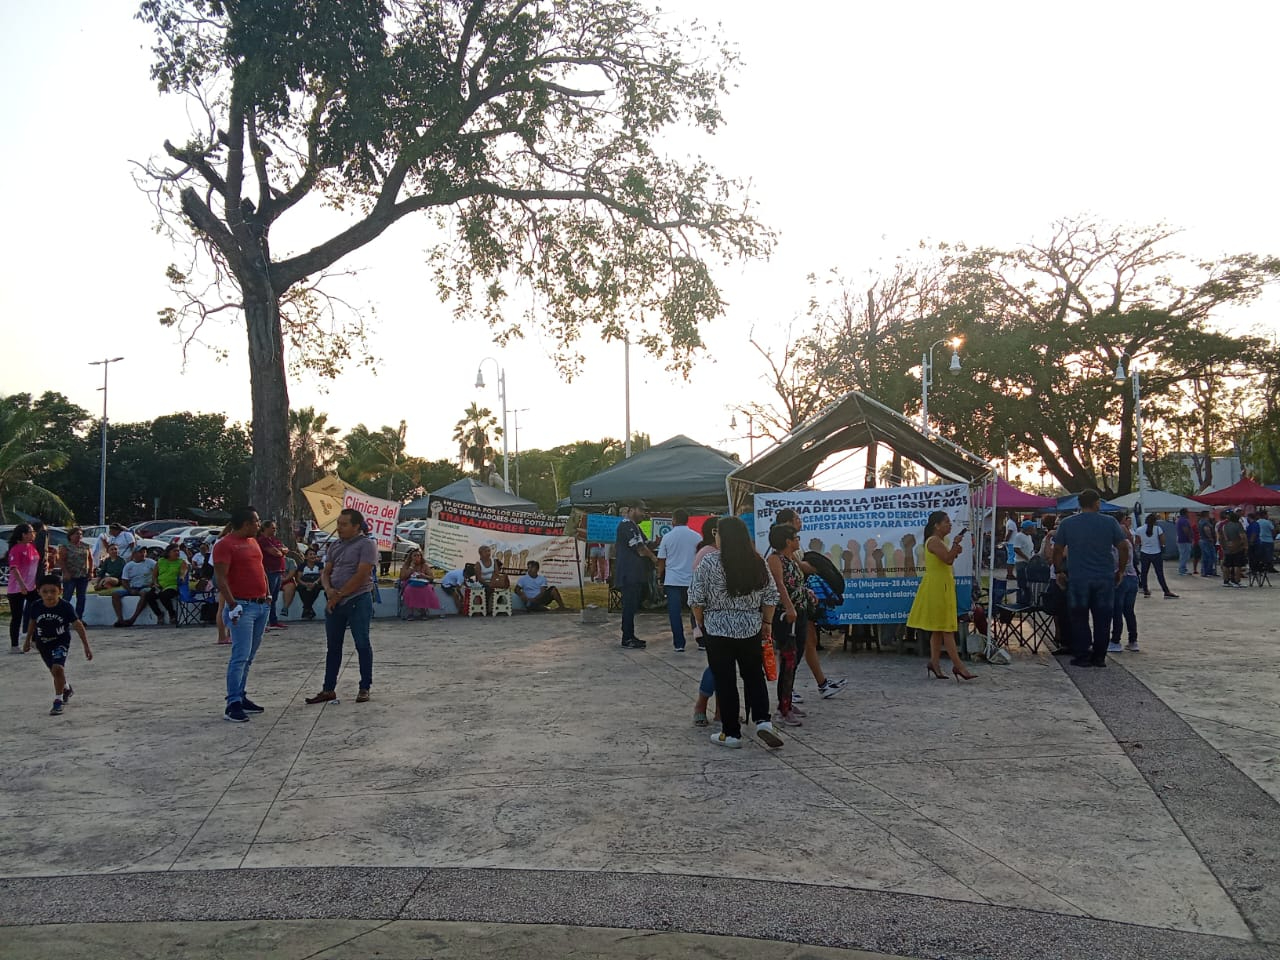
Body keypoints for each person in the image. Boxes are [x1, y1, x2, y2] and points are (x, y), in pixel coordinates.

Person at [688, 516, 784, 750]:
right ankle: (763, 721)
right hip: (750, 626)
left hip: (717, 628)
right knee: (753, 675)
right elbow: (771, 596)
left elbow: (695, 599)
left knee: (725, 680)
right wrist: (766, 623)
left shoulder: (709, 563)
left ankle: (731, 733)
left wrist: (702, 622)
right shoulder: (757, 562)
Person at [307, 508, 378, 705]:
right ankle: (328, 689)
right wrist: (329, 589)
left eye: (344, 524)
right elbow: (326, 571)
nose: (339, 528)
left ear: (356, 526)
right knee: (333, 647)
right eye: (338, 524)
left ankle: (365, 686)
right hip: (334, 600)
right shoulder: (335, 546)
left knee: (362, 643)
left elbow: (362, 574)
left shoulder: (367, 545)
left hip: (357, 599)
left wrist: (338, 595)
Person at [774, 508, 846, 699]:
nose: (800, 521)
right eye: (796, 519)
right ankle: (789, 689)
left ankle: (820, 683)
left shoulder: (793, 548)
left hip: (801, 604)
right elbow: (784, 581)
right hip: (791, 608)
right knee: (793, 649)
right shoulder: (779, 554)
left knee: (808, 642)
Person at [1052, 489, 1129, 668]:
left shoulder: (1067, 524)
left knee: (1079, 618)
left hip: (1078, 578)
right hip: (1104, 577)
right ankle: (1099, 656)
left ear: (1079, 504)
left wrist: (1059, 571)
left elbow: (1057, 549)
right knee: (1103, 618)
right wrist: (1121, 570)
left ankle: (1082, 655)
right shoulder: (1109, 522)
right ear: (1097, 503)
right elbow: (1123, 547)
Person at [212, 507, 271, 722]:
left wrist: (268, 593)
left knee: (250, 656)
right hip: (242, 606)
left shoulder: (253, 542)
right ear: (246, 523)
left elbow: (260, 568)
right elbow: (221, 578)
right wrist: (232, 603)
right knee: (240, 656)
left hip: (261, 604)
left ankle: (241, 694)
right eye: (256, 521)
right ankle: (232, 703)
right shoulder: (225, 545)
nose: (258, 525)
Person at [906, 512, 975, 682]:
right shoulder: (934, 541)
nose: (949, 525)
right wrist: (955, 546)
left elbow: (948, 558)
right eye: (946, 522)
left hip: (942, 584)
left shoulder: (940, 541)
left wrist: (954, 548)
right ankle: (959, 666)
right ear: (936, 525)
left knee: (938, 628)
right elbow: (947, 559)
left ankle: (934, 662)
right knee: (947, 628)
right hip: (937, 587)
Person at [23, 575, 92, 716]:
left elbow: (78, 625)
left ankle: (58, 701)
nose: (49, 595)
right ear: (39, 592)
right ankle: (66, 688)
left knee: (58, 668)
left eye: (53, 591)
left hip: (60, 642)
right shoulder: (36, 606)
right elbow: (32, 623)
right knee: (54, 672)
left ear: (59, 591)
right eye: (45, 592)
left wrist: (86, 646)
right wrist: (27, 640)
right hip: (43, 644)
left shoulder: (65, 607)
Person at [765, 523, 809, 724]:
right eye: (795, 537)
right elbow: (779, 584)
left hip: (800, 613)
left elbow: (798, 583)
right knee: (788, 659)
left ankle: (788, 701)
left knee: (796, 658)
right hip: (785, 617)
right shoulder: (775, 559)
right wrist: (789, 607)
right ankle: (783, 709)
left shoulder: (794, 559)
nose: (798, 540)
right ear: (787, 541)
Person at [656, 508, 701, 651]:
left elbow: (661, 560)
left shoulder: (667, 537)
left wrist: (659, 577)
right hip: (692, 580)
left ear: (673, 520)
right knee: (697, 611)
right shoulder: (697, 537)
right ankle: (702, 641)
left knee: (675, 613)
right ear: (687, 520)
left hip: (673, 580)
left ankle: (679, 643)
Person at [690, 516, 720, 725]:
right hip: (709, 619)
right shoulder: (707, 555)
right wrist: (700, 622)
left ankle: (721, 710)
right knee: (717, 665)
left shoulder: (724, 554)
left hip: (726, 621)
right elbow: (698, 593)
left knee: (724, 667)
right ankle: (701, 704)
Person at [615, 502, 657, 649]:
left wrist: (658, 542)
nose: (644, 514)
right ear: (631, 510)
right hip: (629, 573)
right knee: (629, 606)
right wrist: (654, 558)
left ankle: (630, 635)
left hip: (635, 573)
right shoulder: (626, 525)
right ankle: (627, 638)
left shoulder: (635, 527)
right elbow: (640, 549)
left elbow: (646, 544)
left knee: (633, 606)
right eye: (641, 511)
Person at [7, 523, 40, 653]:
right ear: (23, 534)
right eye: (31, 532)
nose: (33, 534)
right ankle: (14, 645)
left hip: (31, 587)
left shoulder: (32, 547)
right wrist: (22, 585)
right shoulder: (16, 549)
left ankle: (34, 641)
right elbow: (14, 568)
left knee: (38, 611)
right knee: (17, 616)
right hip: (17, 588)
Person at [1109, 515, 1140, 653]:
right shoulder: (1128, 544)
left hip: (1120, 578)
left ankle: (1115, 640)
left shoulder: (1114, 545)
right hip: (1133, 578)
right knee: (1129, 611)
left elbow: (1113, 562)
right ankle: (1133, 640)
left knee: (1117, 610)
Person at [112, 546, 164, 627]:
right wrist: (129, 590)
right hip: (133, 587)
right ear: (134, 554)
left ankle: (133, 618)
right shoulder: (129, 565)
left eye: (144, 552)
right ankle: (120, 619)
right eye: (140, 552)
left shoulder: (151, 563)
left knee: (144, 593)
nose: (143, 554)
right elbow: (124, 581)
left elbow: (159, 573)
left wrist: (154, 582)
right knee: (115, 594)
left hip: (146, 586)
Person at [1135, 514, 1177, 599]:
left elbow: (1137, 542)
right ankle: (1166, 591)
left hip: (1144, 553)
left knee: (1144, 573)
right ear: (1155, 521)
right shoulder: (1158, 529)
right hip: (1156, 553)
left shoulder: (1139, 529)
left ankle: (1146, 590)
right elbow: (1162, 541)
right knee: (1159, 573)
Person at [257, 519, 288, 629]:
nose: (275, 530)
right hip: (270, 571)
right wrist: (280, 551)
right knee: (267, 597)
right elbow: (275, 552)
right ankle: (263, 622)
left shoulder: (274, 540)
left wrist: (281, 550)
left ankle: (273, 620)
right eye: (272, 528)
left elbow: (285, 549)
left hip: (278, 571)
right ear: (265, 528)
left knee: (274, 598)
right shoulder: (263, 540)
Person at [58, 527, 94, 620]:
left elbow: (90, 559)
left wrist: (91, 571)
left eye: (80, 534)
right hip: (71, 575)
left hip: (83, 575)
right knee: (67, 596)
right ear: (70, 536)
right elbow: (61, 560)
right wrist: (65, 572)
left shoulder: (86, 546)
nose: (79, 536)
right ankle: (63, 617)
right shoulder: (65, 547)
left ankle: (78, 618)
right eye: (76, 534)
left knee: (81, 598)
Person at [399, 548, 443, 619]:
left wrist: (424, 576)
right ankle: (410, 613)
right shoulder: (406, 565)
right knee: (409, 590)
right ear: (411, 557)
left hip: (423, 583)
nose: (417, 557)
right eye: (415, 556)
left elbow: (431, 577)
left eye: (419, 556)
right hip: (410, 583)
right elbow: (402, 577)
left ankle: (423, 612)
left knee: (427, 590)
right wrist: (411, 567)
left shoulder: (424, 565)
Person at [154, 542, 188, 625]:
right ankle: (159, 614)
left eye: (178, 551)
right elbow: (154, 575)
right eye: (175, 551)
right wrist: (155, 583)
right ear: (168, 552)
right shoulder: (160, 561)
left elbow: (183, 572)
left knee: (164, 595)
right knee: (148, 596)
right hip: (160, 585)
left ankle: (172, 614)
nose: (177, 553)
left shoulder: (182, 562)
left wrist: (182, 576)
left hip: (173, 586)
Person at [295, 547, 326, 619]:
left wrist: (315, 583)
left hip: (317, 582)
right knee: (301, 589)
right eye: (310, 554)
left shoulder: (320, 564)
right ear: (306, 557)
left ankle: (307, 608)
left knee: (315, 588)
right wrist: (305, 584)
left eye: (314, 554)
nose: (313, 556)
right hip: (305, 583)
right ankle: (309, 609)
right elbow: (298, 579)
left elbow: (322, 576)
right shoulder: (302, 566)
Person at [1219, 510, 1248, 587]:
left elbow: (1221, 537)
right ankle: (1236, 581)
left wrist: (1224, 546)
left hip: (1227, 546)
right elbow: (1243, 536)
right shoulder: (1238, 525)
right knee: (1237, 565)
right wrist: (1244, 545)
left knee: (1226, 565)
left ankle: (1226, 581)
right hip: (1237, 547)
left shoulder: (1225, 526)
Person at [1197, 510, 1218, 579]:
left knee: (1207, 556)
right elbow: (1206, 529)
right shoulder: (1205, 522)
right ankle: (1206, 571)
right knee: (1208, 556)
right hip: (1206, 540)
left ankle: (1207, 571)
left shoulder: (1200, 521)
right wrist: (1210, 537)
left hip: (1203, 540)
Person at [1174, 508, 1194, 575]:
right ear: (1185, 513)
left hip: (1181, 540)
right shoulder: (1184, 520)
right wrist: (1190, 538)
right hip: (1184, 540)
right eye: (1188, 512)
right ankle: (1182, 570)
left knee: (1184, 555)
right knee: (1185, 555)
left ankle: (1183, 569)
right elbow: (1186, 530)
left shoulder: (1180, 520)